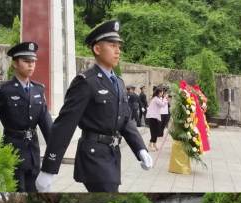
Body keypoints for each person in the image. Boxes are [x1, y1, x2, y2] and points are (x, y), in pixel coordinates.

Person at [35, 20, 153, 193]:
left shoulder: (118, 82)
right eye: (112, 45)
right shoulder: (85, 82)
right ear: (97, 49)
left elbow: (125, 119)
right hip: (93, 156)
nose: (118, 50)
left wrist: (140, 149)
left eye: (119, 45)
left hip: (112, 155)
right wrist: (49, 168)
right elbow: (64, 125)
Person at [0, 41, 53, 192]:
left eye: (33, 61)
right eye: (26, 61)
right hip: (12, 150)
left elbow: (46, 124)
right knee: (16, 191)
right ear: (15, 63)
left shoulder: (38, 89)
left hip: (33, 152)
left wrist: (54, 153)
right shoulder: (4, 91)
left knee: (34, 191)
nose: (31, 65)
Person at [145, 87, 167, 152]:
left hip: (155, 117)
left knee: (156, 131)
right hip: (152, 117)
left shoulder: (156, 98)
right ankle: (150, 145)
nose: (162, 93)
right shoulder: (156, 99)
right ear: (158, 93)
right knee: (154, 132)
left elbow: (161, 105)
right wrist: (165, 99)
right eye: (161, 92)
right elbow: (163, 105)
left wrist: (164, 99)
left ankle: (154, 144)